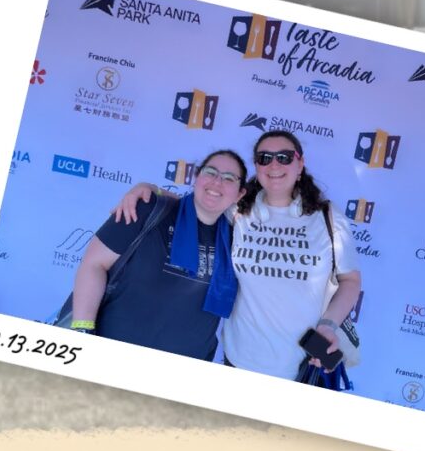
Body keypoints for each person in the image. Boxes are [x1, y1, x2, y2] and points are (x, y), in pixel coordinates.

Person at [115, 130, 361, 381]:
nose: (274, 164)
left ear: (300, 163)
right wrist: (147, 189)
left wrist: (328, 326)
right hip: (239, 360)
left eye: (284, 157)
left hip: (303, 364)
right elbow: (199, 202)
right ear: (257, 166)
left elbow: (350, 281)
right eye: (265, 157)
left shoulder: (327, 216)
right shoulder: (240, 210)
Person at [69, 150, 246, 361]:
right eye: (211, 172)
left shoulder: (239, 240)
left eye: (228, 178)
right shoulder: (146, 209)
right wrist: (82, 331)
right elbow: (94, 264)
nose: (217, 182)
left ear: (240, 193)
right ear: (196, 177)